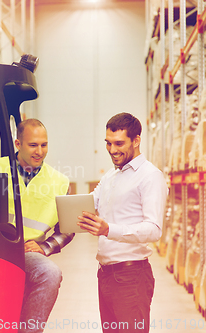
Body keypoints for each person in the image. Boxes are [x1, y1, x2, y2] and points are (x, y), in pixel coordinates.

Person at [77, 113, 167, 333]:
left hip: (131, 277)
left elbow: (154, 230)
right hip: (105, 274)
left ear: (136, 140)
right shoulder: (111, 176)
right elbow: (88, 203)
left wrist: (109, 230)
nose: (112, 150)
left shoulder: (150, 176)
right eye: (108, 143)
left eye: (119, 143)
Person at [0, 118, 74, 333]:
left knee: (50, 273)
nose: (40, 151)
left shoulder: (59, 181)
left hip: (28, 252)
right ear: (18, 144)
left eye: (44, 145)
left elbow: (67, 228)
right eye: (33, 145)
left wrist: (44, 247)